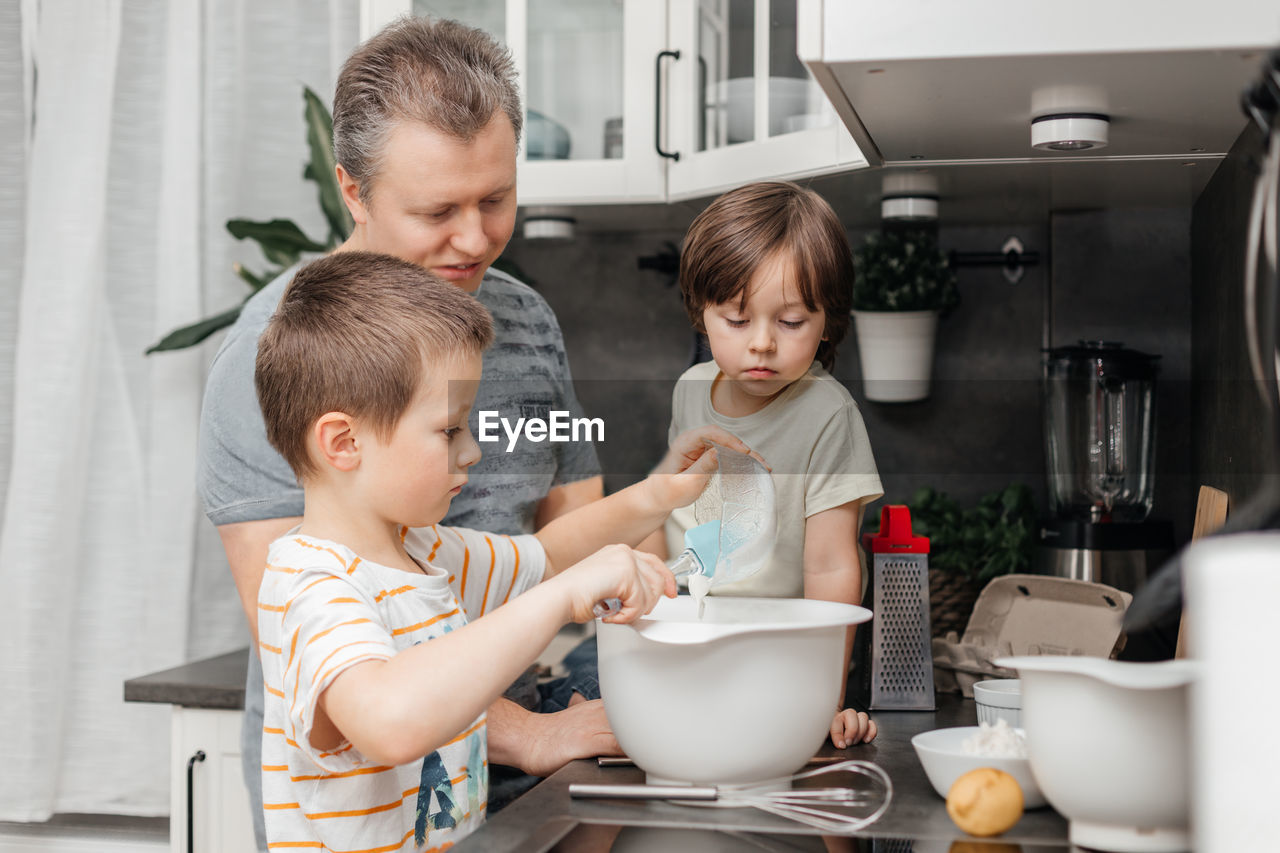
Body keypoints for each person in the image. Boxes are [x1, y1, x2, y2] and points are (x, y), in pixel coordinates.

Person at [195, 16, 604, 848]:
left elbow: (570, 536)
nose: (476, 237)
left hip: (510, 771)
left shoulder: (526, 322)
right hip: (368, 806)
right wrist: (529, 732)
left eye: (496, 198)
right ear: (353, 190)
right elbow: (317, 644)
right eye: (436, 210)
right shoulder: (272, 353)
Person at [254, 251, 746, 850]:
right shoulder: (312, 584)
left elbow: (545, 558)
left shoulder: (421, 553)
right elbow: (389, 721)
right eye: (448, 430)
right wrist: (560, 600)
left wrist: (657, 494)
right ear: (343, 441)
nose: (472, 452)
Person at [644, 180, 884, 748]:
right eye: (736, 318)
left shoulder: (829, 414)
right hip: (692, 642)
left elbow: (831, 567)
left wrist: (826, 697)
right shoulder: (690, 390)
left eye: (792, 322)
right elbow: (674, 510)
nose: (762, 344)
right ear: (702, 313)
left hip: (781, 660)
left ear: (829, 320)